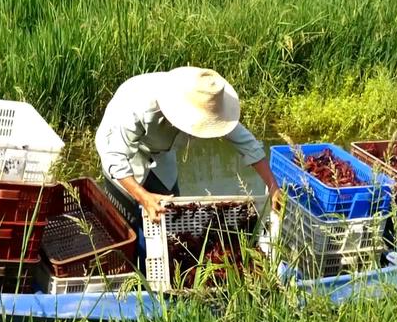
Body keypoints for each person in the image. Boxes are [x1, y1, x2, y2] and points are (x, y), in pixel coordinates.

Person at [96, 66, 281, 229]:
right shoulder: (136, 106)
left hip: (162, 155)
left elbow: (247, 143)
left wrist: (273, 187)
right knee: (130, 222)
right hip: (125, 152)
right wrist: (143, 196)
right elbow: (115, 157)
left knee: (172, 214)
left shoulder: (207, 100)